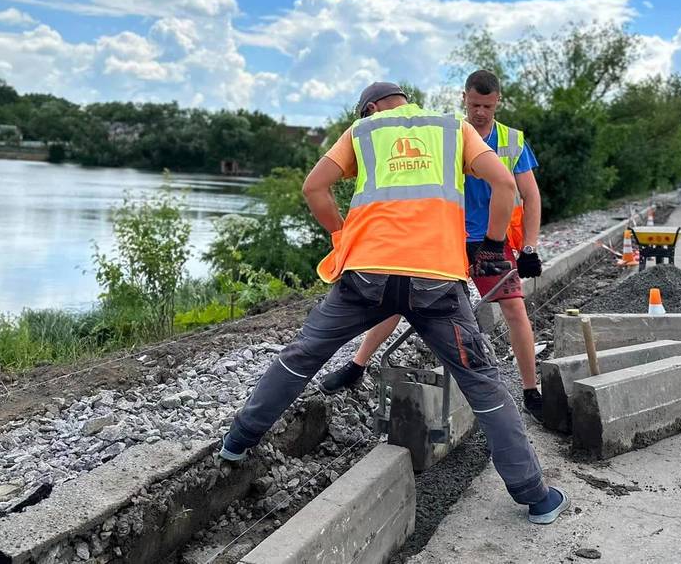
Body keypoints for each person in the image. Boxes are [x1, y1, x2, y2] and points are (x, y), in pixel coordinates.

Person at [219, 82, 569, 524]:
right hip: (437, 281)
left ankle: (237, 441)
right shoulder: (452, 128)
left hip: (367, 275)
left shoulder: (363, 132)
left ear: (369, 109)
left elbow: (314, 188)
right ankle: (535, 496)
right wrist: (494, 246)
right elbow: (504, 185)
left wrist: (342, 234)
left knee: (302, 355)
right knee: (482, 381)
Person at [320, 70, 546, 420]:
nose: (480, 112)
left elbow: (530, 195)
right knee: (398, 298)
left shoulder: (512, 141)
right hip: (445, 237)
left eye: (487, 105)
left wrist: (529, 248)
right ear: (464, 99)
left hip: (491, 240)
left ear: (497, 101)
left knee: (515, 308)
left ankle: (531, 392)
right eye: (474, 104)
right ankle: (357, 364)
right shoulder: (448, 131)